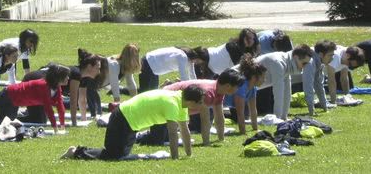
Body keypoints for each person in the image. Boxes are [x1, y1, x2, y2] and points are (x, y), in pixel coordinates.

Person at [63, 86, 203, 161]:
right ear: (192, 101)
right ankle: (76, 152)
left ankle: (78, 152)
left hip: (130, 123)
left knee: (121, 154)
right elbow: (173, 133)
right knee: (114, 155)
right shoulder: (173, 103)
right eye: (200, 102)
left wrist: (189, 155)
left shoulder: (181, 101)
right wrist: (175, 158)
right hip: (123, 118)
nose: (201, 106)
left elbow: (184, 131)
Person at [144, 71, 244, 145]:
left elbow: (219, 117)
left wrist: (221, 138)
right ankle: (142, 136)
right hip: (163, 101)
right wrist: (206, 143)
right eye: (237, 87)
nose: (237, 89)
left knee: (165, 138)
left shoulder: (219, 91)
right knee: (157, 141)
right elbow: (205, 120)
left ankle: (147, 134)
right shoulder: (208, 93)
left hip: (175, 108)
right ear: (227, 86)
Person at [25, 54, 100, 127]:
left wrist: (84, 119)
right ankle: (14, 120)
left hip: (40, 84)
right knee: (39, 121)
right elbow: (73, 102)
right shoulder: (77, 74)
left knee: (41, 119)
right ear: (90, 67)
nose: (99, 72)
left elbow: (82, 100)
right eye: (98, 68)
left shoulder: (84, 78)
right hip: (33, 80)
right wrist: (74, 122)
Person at [0, 63, 68, 132]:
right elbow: (48, 109)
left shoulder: (57, 87)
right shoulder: (44, 86)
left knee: (11, 122)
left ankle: (0, 119)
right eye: (65, 76)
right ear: (59, 77)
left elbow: (60, 107)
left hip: (14, 101)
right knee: (4, 124)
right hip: (6, 97)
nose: (68, 78)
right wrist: (55, 129)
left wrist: (62, 125)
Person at [255, 45, 313, 120]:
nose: (305, 67)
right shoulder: (279, 63)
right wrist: (278, 119)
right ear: (295, 57)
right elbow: (278, 93)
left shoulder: (287, 63)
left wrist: (284, 117)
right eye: (304, 63)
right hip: (238, 81)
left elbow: (287, 93)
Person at [225, 55, 267, 135]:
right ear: (254, 77)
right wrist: (243, 133)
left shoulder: (253, 88)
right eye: (263, 77)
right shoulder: (241, 86)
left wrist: (255, 129)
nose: (265, 80)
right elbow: (240, 113)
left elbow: (253, 110)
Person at [301, 40, 336, 115]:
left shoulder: (320, 62)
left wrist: (324, 106)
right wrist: (311, 110)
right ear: (320, 54)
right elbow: (308, 87)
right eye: (330, 55)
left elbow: (319, 85)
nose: (332, 58)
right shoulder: (310, 62)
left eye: (333, 55)